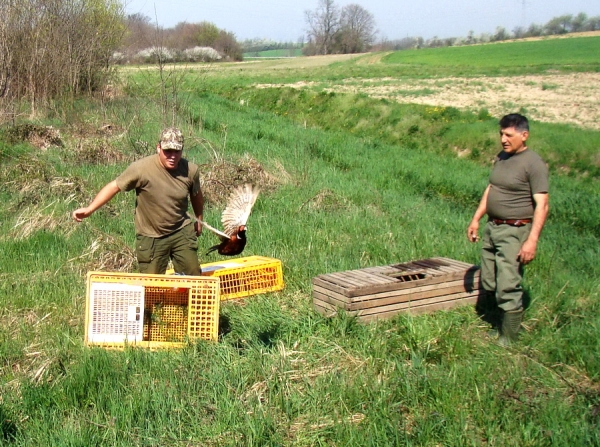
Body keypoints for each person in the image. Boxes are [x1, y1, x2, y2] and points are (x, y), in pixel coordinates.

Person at [73, 127, 204, 275]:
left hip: (181, 231)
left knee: (194, 277)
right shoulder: (141, 169)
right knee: (150, 285)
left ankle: (184, 296)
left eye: (177, 151)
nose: (172, 156)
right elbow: (114, 186)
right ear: (158, 148)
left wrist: (199, 219)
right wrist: (90, 209)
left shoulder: (190, 170)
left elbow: (196, 195)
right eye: (167, 151)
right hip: (151, 236)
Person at [467, 113, 549, 346]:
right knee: (490, 281)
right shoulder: (502, 157)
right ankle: (495, 321)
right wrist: (476, 219)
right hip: (493, 227)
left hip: (515, 231)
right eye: (501, 134)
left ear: (524, 136)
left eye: (508, 135)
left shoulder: (534, 164)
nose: (503, 139)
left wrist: (531, 241)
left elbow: (542, 205)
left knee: (508, 284)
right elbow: (491, 188)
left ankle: (509, 338)